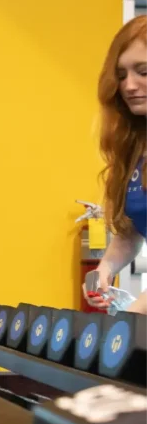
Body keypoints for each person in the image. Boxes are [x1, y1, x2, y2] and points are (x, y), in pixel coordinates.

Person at [85, 15, 147, 313]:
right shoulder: (134, 147)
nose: (129, 85)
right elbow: (132, 229)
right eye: (121, 75)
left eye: (143, 71)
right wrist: (105, 269)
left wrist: (134, 314)